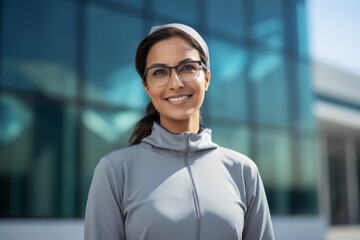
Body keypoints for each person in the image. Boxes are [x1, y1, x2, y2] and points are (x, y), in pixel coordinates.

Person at [84, 23, 275, 240]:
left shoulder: (243, 171)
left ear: (207, 78)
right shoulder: (115, 171)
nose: (175, 83)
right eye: (160, 72)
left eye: (187, 68)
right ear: (147, 86)